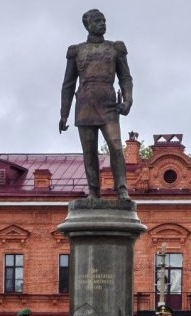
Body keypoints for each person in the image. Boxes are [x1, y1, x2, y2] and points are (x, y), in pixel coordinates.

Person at [59, 8, 133, 201]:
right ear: (88, 25)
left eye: (104, 21)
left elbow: (125, 77)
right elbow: (68, 83)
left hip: (108, 103)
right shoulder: (77, 51)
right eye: (98, 21)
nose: (102, 24)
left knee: (116, 146)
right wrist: (64, 113)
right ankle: (93, 192)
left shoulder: (115, 48)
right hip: (84, 104)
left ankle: (122, 189)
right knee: (89, 151)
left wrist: (128, 99)